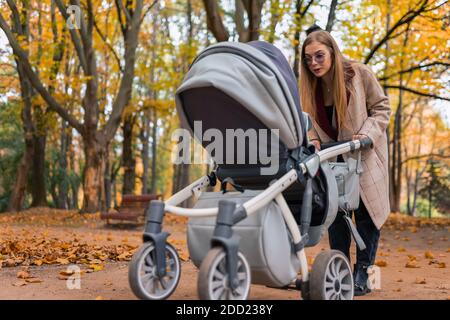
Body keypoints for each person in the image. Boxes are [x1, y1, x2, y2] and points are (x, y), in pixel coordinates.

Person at [299, 27, 391, 296]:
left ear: (333, 52)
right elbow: (309, 124)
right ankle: (339, 269)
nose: (314, 63)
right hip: (331, 159)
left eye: (319, 56)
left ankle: (365, 272)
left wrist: (367, 134)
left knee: (366, 216)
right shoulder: (308, 87)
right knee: (336, 216)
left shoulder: (359, 74)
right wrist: (313, 139)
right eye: (308, 59)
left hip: (364, 154)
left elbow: (382, 107)